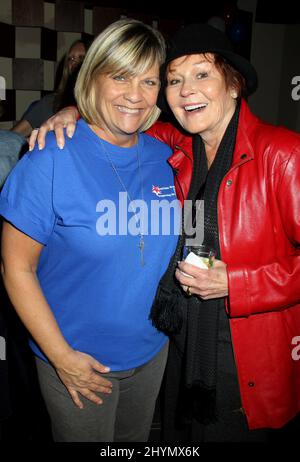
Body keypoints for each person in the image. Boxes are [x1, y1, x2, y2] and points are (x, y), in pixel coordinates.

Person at [28, 24, 300, 442]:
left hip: (245, 346)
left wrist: (239, 283)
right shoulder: (176, 144)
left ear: (234, 84)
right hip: (179, 333)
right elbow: (119, 113)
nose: (186, 89)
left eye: (202, 74)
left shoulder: (282, 154)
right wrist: (73, 112)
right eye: (174, 79)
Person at [0, 19, 180, 442]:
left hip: (152, 351)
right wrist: (61, 358)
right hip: (77, 359)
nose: (135, 95)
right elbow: (15, 268)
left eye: (149, 80)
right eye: (119, 76)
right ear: (92, 75)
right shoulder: (50, 157)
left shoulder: (167, 156)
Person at [11, 40, 88, 139]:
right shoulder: (51, 102)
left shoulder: (101, 104)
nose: (74, 62)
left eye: (81, 58)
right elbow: (13, 136)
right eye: (70, 59)